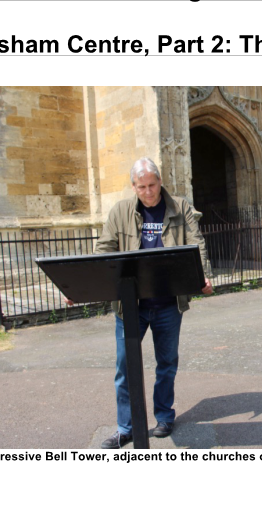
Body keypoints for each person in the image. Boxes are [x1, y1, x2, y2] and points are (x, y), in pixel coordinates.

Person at [93, 157, 213, 448]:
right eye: (142, 187)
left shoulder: (179, 207)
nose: (148, 192)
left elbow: (196, 243)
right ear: (133, 187)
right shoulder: (120, 212)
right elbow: (104, 250)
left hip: (167, 304)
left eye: (152, 185)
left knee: (167, 363)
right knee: (125, 368)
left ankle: (164, 415)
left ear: (160, 181)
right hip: (130, 305)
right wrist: (91, 284)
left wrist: (205, 277)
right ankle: (127, 427)